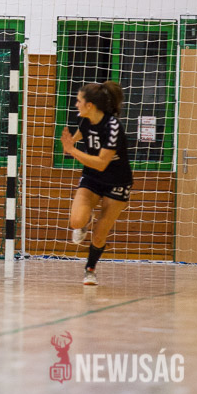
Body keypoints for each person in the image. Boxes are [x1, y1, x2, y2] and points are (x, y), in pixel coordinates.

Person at [61, 81, 133, 286]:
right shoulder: (84, 119)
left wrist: (72, 151)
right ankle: (85, 221)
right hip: (92, 177)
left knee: (100, 234)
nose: (76, 104)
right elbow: (81, 134)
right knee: (76, 221)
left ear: (90, 105)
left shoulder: (113, 127)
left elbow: (101, 163)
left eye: (79, 101)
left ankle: (90, 269)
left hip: (117, 181)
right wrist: (71, 142)